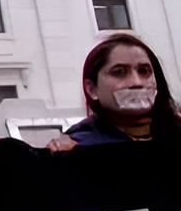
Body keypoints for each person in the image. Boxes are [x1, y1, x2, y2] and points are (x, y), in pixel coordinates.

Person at [47, 33, 178, 150]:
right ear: (91, 89)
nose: (136, 82)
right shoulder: (78, 147)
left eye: (143, 71)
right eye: (119, 72)